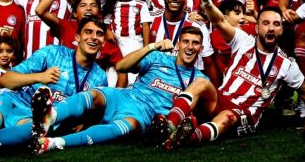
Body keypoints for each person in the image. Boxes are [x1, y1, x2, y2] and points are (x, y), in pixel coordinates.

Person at [160, 0, 305, 148]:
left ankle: (187, 138)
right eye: (265, 23)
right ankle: (170, 125)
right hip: (220, 99)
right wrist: (206, 1)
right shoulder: (243, 40)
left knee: (227, 116)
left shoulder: (287, 64)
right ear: (257, 28)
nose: (271, 28)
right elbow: (219, 21)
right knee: (201, 82)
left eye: (276, 24)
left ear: (281, 30)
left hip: (244, 114)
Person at [29, 27, 218, 154]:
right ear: (178, 44)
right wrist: (152, 47)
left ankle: (54, 143)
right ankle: (50, 117)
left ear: (201, 48)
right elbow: (121, 66)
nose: (190, 47)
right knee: (94, 95)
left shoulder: (199, 80)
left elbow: (207, 109)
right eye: (185, 42)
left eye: (195, 43)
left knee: (125, 128)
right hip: (125, 95)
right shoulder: (159, 58)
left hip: (144, 116)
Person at [0, 17, 108, 147]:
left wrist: (85, 121)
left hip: (37, 118)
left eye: (99, 34)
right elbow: (5, 80)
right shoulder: (53, 53)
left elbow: (96, 110)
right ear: (77, 37)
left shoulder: (100, 77)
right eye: (88, 32)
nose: (94, 37)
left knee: (34, 131)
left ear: (103, 42)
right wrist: (40, 77)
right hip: (13, 99)